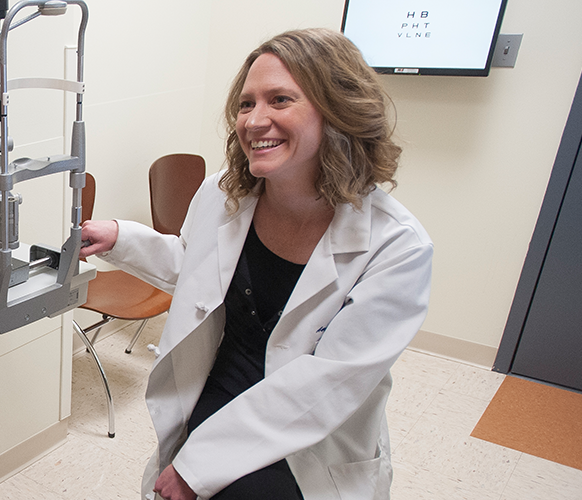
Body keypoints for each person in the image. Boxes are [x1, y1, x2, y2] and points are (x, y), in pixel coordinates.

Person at [80, 28, 432, 500]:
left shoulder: (398, 247)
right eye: (246, 104)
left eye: (281, 100)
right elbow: (196, 269)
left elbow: (327, 383)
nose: (254, 120)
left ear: (336, 110)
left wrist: (197, 467)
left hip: (312, 439)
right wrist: (120, 238)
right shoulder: (226, 190)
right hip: (219, 391)